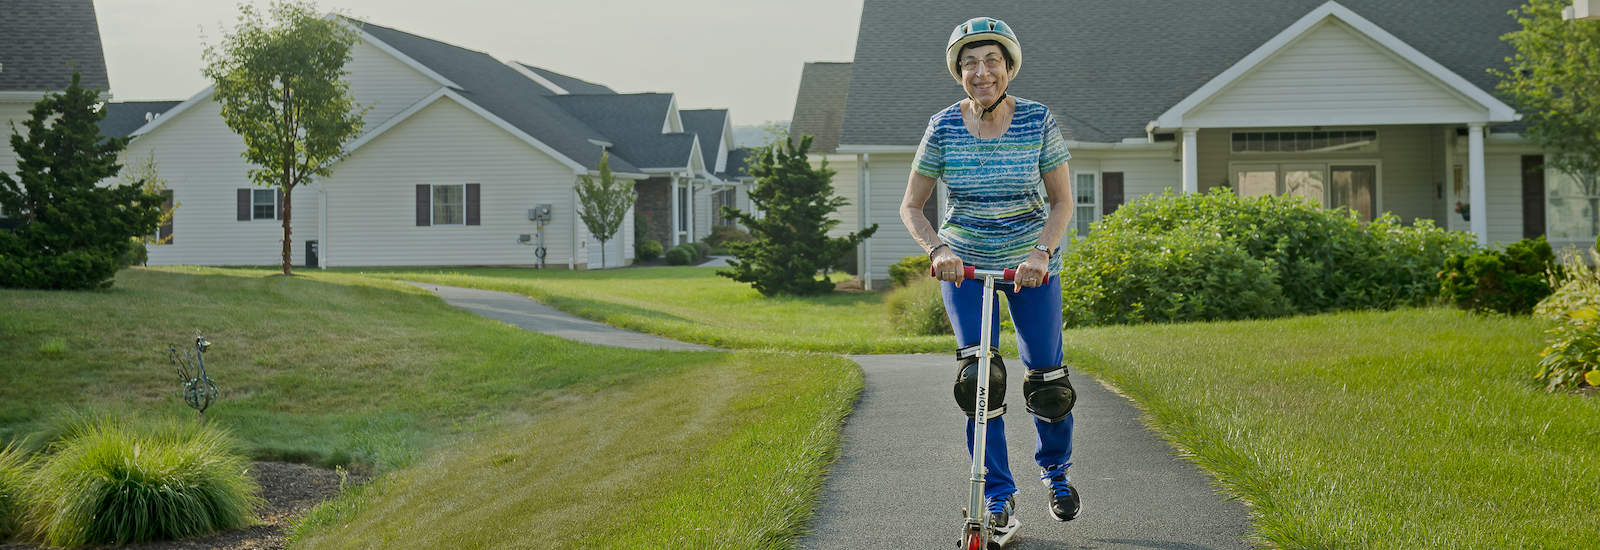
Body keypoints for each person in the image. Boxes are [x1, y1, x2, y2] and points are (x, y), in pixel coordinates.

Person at [898, 16, 1080, 547]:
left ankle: (1055, 472)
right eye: (970, 63)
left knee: (1047, 383)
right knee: (980, 381)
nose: (982, 72)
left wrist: (1042, 252)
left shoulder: (1038, 121)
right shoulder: (943, 127)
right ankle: (996, 496)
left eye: (992, 61)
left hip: (1030, 265)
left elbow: (1063, 201)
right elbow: (912, 205)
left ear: (1008, 67)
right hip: (966, 266)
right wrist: (938, 249)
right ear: (959, 72)